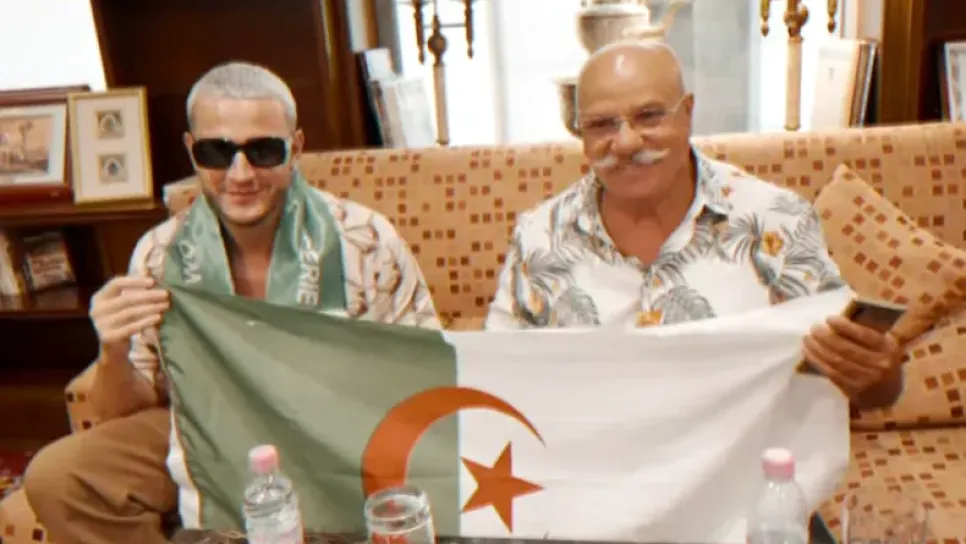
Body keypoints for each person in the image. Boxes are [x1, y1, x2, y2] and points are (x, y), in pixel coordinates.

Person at [22, 61, 440, 544]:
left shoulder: (364, 240)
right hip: (204, 430)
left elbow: (424, 371)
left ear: (296, 148)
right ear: (191, 150)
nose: (240, 174)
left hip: (335, 430)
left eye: (263, 151)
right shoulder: (159, 254)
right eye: (217, 152)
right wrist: (112, 351)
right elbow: (125, 406)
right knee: (58, 477)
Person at [485, 41, 903, 408]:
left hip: (749, 469)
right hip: (596, 469)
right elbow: (495, 381)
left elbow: (861, 383)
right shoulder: (540, 236)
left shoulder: (776, 219)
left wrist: (878, 375)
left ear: (687, 113)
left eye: (649, 116)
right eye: (601, 124)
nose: (626, 142)